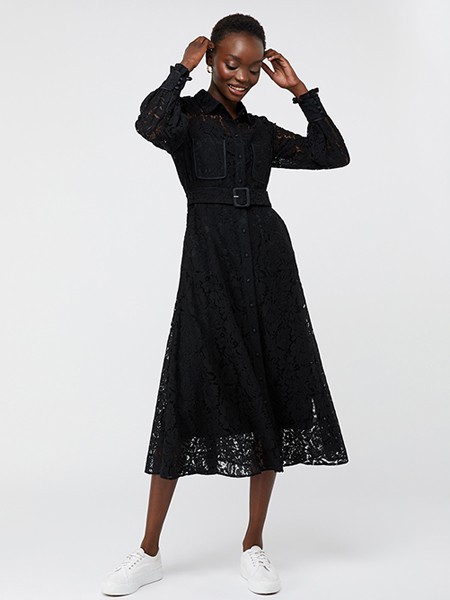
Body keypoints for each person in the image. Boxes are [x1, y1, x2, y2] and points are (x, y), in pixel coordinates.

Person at [101, 12, 350, 597]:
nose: (242, 76)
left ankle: (253, 544)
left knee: (266, 390)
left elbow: (332, 153)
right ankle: (148, 551)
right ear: (213, 56)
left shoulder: (261, 132)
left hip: (267, 263)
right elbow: (148, 124)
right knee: (184, 395)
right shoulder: (186, 121)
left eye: (252, 67)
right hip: (208, 266)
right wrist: (180, 70)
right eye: (231, 63)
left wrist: (301, 92)